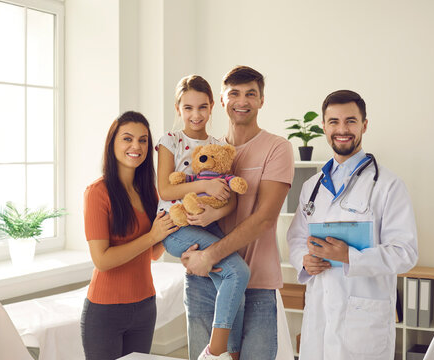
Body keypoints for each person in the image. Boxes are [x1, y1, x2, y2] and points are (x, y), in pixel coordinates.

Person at [286, 90, 418, 360]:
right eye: (333, 122)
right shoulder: (312, 187)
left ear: (364, 125)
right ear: (324, 126)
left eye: (351, 121)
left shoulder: (388, 185)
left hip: (363, 320)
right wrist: (303, 261)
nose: (342, 129)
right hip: (319, 314)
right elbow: (296, 238)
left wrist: (348, 256)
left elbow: (406, 253)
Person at [181, 66, 295, 360]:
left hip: (256, 282)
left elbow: (265, 218)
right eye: (234, 93)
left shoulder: (277, 148)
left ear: (261, 100)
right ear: (222, 100)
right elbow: (181, 201)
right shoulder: (207, 151)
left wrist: (210, 255)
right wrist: (184, 246)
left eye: (250, 94)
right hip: (206, 281)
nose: (242, 101)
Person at [157, 74, 250, 360]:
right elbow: (165, 187)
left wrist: (215, 213)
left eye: (201, 107)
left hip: (207, 227)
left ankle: (230, 355)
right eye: (188, 108)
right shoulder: (170, 140)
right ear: (178, 109)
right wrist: (204, 185)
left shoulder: (218, 145)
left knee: (235, 287)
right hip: (175, 227)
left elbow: (231, 201)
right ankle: (215, 353)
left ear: (212, 107)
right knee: (239, 272)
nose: (195, 115)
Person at [81, 111, 178, 360]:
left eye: (143, 140)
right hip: (105, 311)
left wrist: (174, 226)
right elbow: (101, 260)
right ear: (112, 142)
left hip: (145, 306)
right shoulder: (97, 193)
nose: (136, 146)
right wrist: (151, 236)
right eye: (127, 139)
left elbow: (154, 253)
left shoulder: (149, 193)